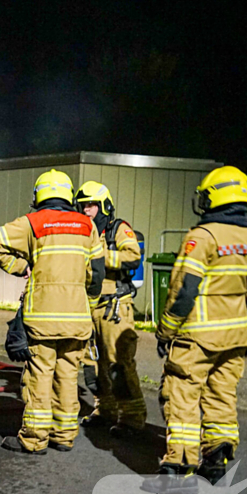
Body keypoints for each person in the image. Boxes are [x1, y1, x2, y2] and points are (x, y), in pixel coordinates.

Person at [144, 166, 247, 494]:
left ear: (214, 197)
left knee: (181, 395)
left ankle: (178, 470)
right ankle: (216, 461)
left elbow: (184, 290)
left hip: (197, 337)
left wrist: (166, 331)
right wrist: (243, 324)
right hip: (236, 338)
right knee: (222, 397)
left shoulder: (203, 237)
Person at [0, 169, 105, 454]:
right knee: (67, 376)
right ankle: (64, 435)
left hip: (42, 320)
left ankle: (34, 440)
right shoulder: (88, 226)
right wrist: (88, 303)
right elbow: (96, 273)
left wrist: (20, 267)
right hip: (78, 320)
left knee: (40, 378)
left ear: (39, 195)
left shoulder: (32, 223)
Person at [73, 181, 147, 438]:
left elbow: (133, 256)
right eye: (83, 205)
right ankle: (103, 409)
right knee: (92, 365)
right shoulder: (81, 233)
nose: (86, 210)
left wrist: (100, 255)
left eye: (91, 205)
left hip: (114, 306)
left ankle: (132, 417)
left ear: (103, 206)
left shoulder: (118, 229)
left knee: (118, 364)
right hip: (88, 306)